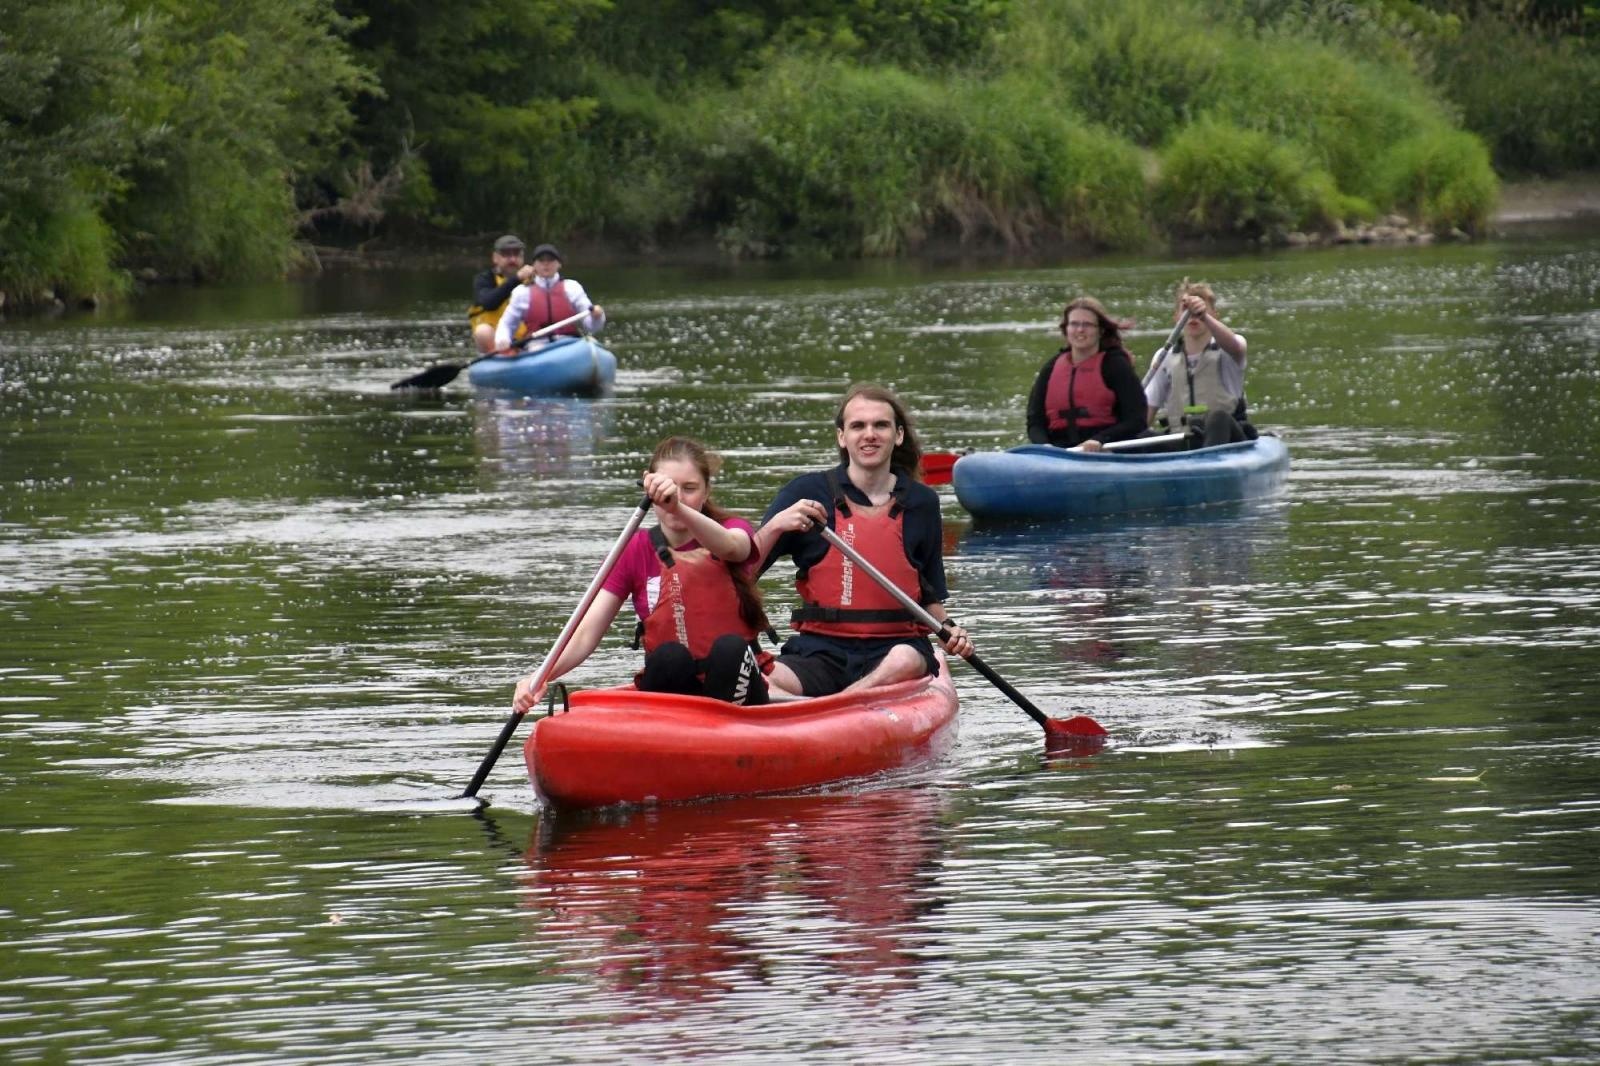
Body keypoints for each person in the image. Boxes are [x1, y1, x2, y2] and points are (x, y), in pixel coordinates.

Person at [511, 437, 772, 713]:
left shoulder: (732, 529)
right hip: (676, 691)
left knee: (729, 650)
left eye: (690, 489)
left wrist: (677, 508)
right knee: (668, 657)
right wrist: (540, 677)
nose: (678, 496)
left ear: (707, 492)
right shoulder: (633, 548)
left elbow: (735, 548)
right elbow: (586, 633)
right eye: (670, 488)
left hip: (736, 691)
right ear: (649, 485)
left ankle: (727, 736)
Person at [755, 383, 973, 698]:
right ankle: (822, 704)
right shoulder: (804, 493)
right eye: (858, 425)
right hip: (819, 651)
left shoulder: (922, 502)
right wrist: (776, 525)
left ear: (897, 436)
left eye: (880, 425)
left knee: (907, 657)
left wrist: (950, 629)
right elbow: (744, 569)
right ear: (842, 437)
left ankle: (839, 703)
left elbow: (928, 592)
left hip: (893, 650)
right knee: (764, 681)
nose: (869, 434)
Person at [1024, 296, 1148, 451]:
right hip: (1060, 453)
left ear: (1101, 330)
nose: (1080, 330)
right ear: (1066, 329)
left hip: (1107, 449)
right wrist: (1045, 447)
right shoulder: (1050, 368)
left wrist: (1100, 440)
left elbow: (1136, 420)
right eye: (1074, 324)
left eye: (1087, 325)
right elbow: (1035, 422)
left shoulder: (1115, 365)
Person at [1143, 280, 1253, 448]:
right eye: (1186, 310)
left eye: (1199, 311)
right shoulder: (1163, 357)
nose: (1193, 316)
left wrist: (1204, 316)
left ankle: (1210, 465)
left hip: (1228, 441)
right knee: (1140, 434)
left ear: (1214, 315)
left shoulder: (1230, 349)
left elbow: (1235, 346)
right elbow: (1146, 415)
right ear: (1177, 317)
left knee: (1218, 418)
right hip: (1182, 440)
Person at [493, 243, 606, 353]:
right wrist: (503, 340)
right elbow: (507, 324)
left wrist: (597, 317)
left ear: (559, 264)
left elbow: (592, 327)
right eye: (541, 260)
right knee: (532, 349)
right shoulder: (522, 292)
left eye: (550, 260)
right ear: (534, 265)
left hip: (568, 343)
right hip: (536, 345)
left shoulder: (572, 288)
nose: (546, 264)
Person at [468, 235, 535, 354]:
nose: (512, 260)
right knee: (482, 331)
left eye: (516, 254)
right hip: (496, 339)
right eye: (506, 255)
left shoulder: (533, 279)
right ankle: (500, 360)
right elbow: (489, 303)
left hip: (526, 337)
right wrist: (517, 279)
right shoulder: (484, 279)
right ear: (495, 258)